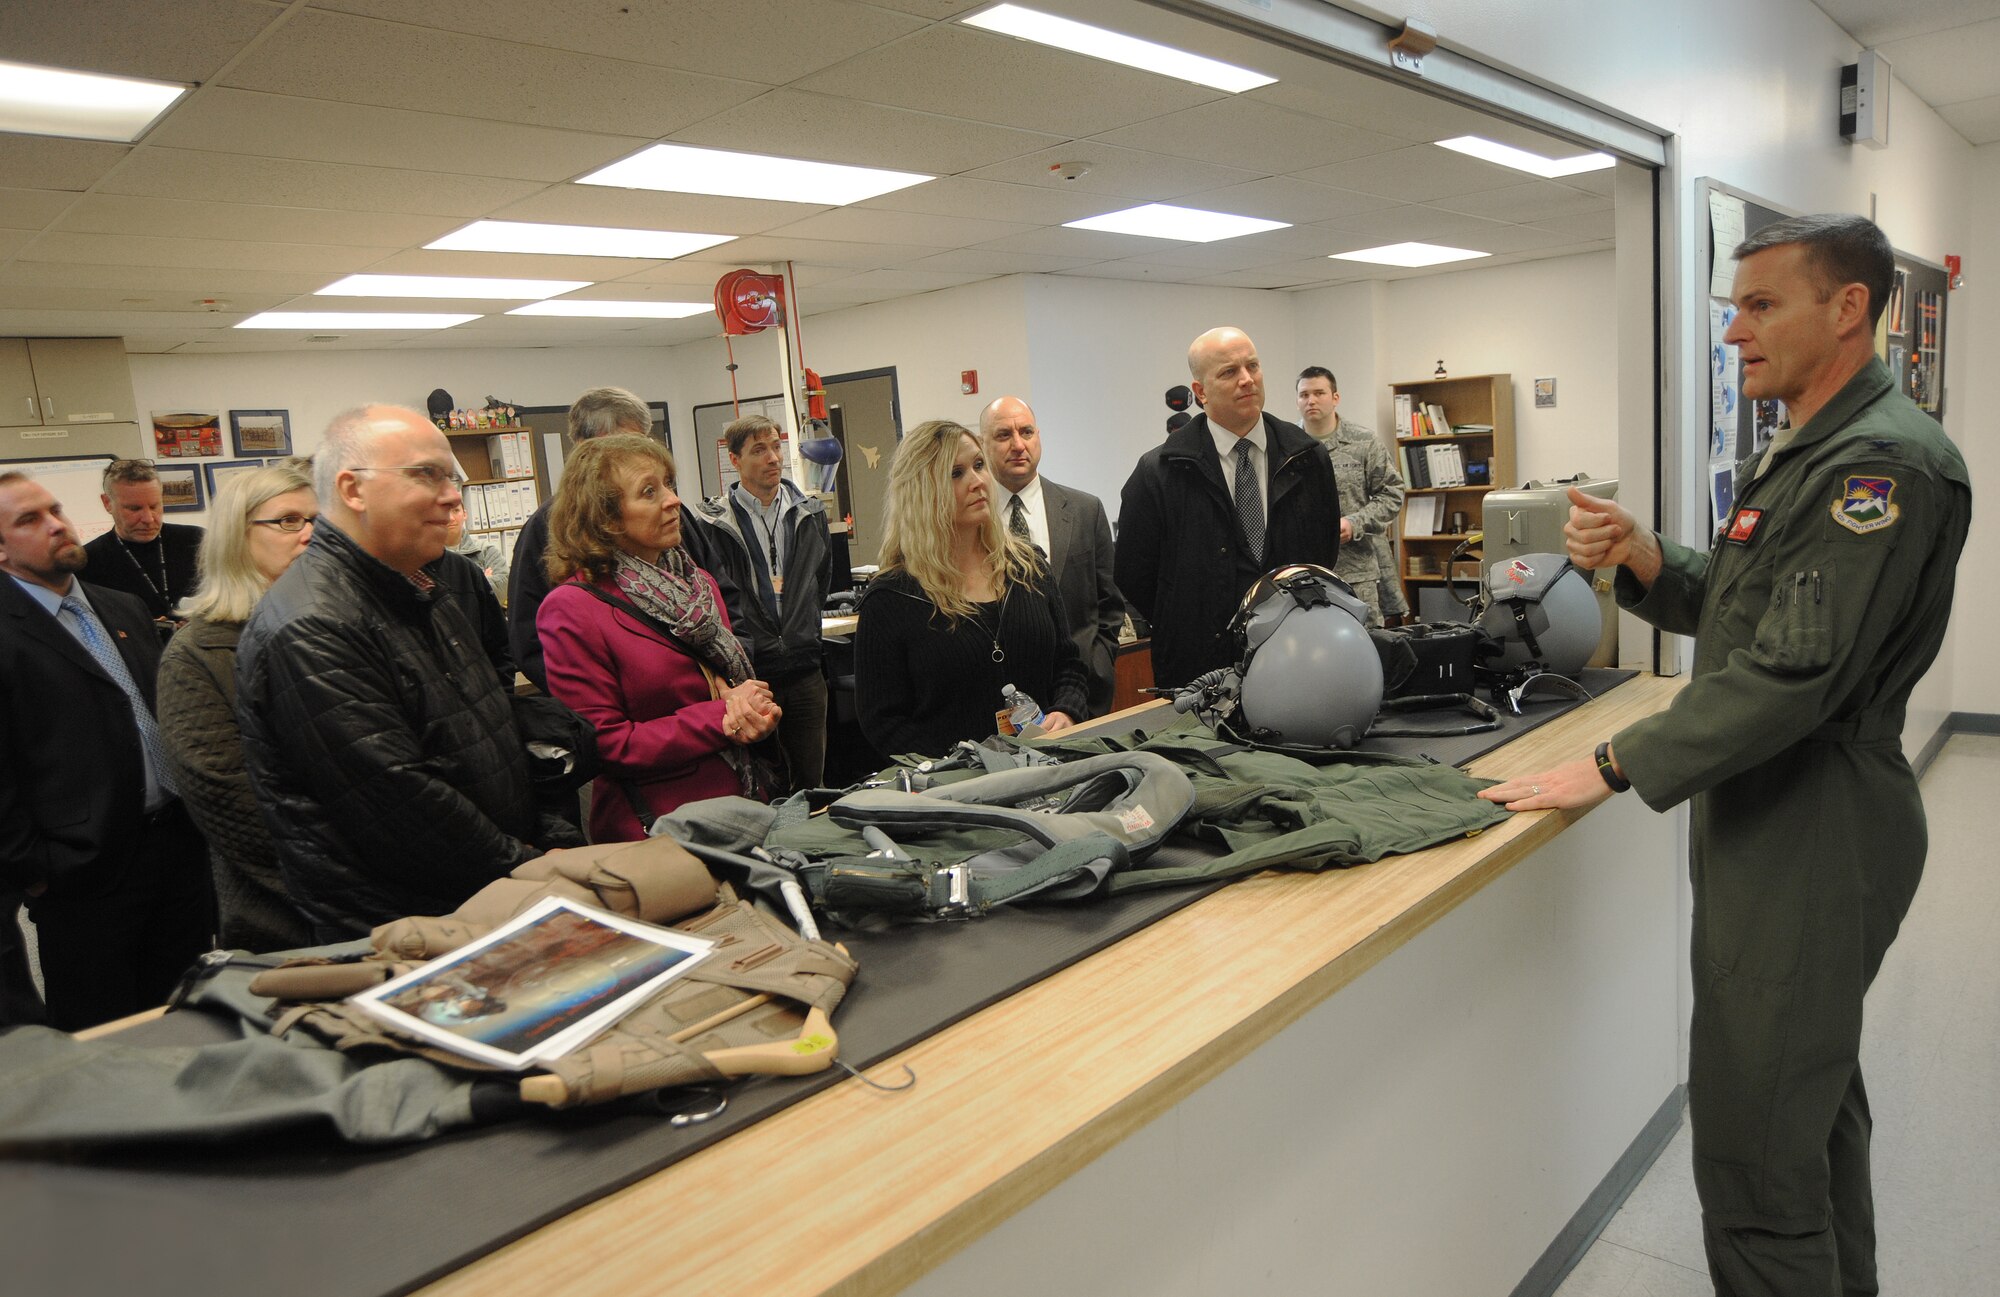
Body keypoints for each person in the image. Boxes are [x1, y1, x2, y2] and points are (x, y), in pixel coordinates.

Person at [1479, 214, 1972, 1296]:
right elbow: (1752, 614)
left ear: (1845, 310)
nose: (1732, 332)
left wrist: (1610, 762)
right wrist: (1649, 556)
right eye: (1730, 309)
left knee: (1755, 1154)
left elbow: (1795, 677)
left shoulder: (1876, 466)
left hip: (1815, 815)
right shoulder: (1806, 445)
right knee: (1808, 1106)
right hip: (1771, 811)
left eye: (1758, 307)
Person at [237, 406, 584, 940]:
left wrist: (551, 838)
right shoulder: (312, 624)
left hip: (493, 896)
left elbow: (495, 732)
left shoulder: (423, 588)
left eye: (453, 477)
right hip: (413, 928)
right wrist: (532, 864)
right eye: (428, 475)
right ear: (353, 490)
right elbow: (404, 807)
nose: (452, 496)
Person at [0, 470, 213, 1029]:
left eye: (54, 509)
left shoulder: (120, 609)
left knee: (188, 1014)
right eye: (30, 519)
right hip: (85, 873)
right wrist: (38, 870)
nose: (56, 525)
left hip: (178, 850)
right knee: (104, 1033)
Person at [537, 435, 780, 843]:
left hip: (745, 809)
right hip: (660, 830)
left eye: (669, 484)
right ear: (607, 517)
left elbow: (729, 687)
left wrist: (756, 714)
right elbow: (607, 744)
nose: (673, 501)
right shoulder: (572, 609)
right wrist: (720, 716)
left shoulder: (698, 585)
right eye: (650, 492)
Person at [1115, 327, 1340, 688]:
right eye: (1229, 372)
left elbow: (1324, 554)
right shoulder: (1160, 471)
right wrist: (1189, 620)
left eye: (1253, 366)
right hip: (1199, 671)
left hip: (1297, 657)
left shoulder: (1307, 458)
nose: (1247, 380)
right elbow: (1134, 574)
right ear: (1200, 392)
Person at [155, 462, 318, 953]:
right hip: (287, 914)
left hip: (399, 891)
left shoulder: (338, 627)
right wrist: (352, 879)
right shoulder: (195, 657)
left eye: (318, 521)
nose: (310, 534)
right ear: (236, 536)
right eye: (289, 521)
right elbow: (233, 804)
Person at [854, 420, 1087, 759]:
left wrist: (1067, 711)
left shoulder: (1028, 567)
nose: (977, 482)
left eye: (979, 465)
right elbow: (883, 720)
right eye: (955, 473)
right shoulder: (892, 598)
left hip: (1050, 766)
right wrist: (958, 766)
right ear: (922, 490)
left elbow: (1069, 664)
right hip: (959, 792)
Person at [689, 414, 834, 789]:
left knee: (810, 784)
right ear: (734, 460)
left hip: (804, 670)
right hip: (751, 676)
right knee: (762, 784)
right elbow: (712, 598)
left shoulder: (811, 513)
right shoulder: (712, 524)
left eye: (776, 447)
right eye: (759, 450)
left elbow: (820, 583)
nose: (773, 458)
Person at [981, 395, 1126, 716]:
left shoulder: (1085, 510)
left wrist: (1098, 664)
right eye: (1004, 435)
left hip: (1084, 691)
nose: (1018, 444)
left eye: (1027, 432)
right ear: (983, 444)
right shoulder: (972, 519)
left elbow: (1111, 606)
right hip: (1002, 700)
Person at [509, 387, 652, 689]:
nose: (640, 456)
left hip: (696, 696)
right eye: (625, 445)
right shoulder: (548, 526)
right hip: (603, 707)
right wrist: (589, 696)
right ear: (586, 450)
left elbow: (723, 595)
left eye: (642, 444)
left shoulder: (668, 513)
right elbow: (530, 638)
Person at [1296, 367, 1405, 627]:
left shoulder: (1363, 442)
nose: (1311, 400)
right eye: (1304, 395)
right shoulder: (1286, 445)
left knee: (1367, 647)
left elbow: (1392, 493)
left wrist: (1355, 523)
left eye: (1319, 393)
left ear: (1335, 397)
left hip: (1356, 572)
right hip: (1302, 574)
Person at [80, 458, 205, 633]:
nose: (148, 519)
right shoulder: (88, 561)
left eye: (154, 506)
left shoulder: (198, 540)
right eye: (134, 509)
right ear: (107, 503)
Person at [438, 503, 515, 687]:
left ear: (465, 514)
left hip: (484, 643)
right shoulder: (433, 558)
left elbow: (503, 586)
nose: (451, 518)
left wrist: (474, 585)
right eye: (446, 512)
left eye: (456, 511)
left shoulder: (486, 550)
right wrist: (481, 580)